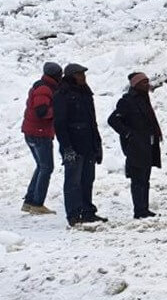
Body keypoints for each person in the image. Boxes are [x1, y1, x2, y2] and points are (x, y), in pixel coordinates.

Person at [53, 63, 107, 226]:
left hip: (88, 144)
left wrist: (97, 143)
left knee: (87, 180)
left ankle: (88, 212)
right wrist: (67, 148)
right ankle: (74, 214)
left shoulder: (86, 93)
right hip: (73, 145)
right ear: (72, 76)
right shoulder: (62, 95)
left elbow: (92, 121)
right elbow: (60, 124)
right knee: (73, 182)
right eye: (80, 74)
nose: (84, 77)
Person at [108, 72, 163, 219]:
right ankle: (139, 210)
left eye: (147, 81)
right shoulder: (127, 101)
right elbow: (113, 120)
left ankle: (144, 208)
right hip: (135, 146)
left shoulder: (144, 99)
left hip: (147, 144)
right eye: (144, 82)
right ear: (136, 85)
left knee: (145, 178)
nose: (147, 85)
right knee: (138, 179)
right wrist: (128, 134)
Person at [21, 62, 62, 215]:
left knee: (41, 166)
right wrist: (58, 110)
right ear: (55, 75)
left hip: (32, 132)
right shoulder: (45, 89)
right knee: (46, 167)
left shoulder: (42, 86)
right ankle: (37, 203)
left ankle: (29, 201)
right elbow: (42, 112)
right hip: (39, 133)